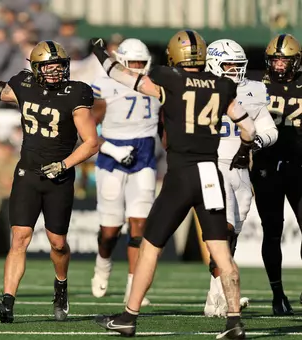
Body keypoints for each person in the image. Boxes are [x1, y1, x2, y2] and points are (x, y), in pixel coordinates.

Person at [90, 30, 256, 339]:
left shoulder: (169, 78)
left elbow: (126, 78)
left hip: (181, 174)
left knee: (150, 248)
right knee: (222, 252)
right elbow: (248, 127)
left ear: (174, 56)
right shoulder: (222, 85)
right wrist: (244, 151)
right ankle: (234, 321)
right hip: (210, 174)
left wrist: (102, 54)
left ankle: (128, 316)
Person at [0, 36, 98, 323]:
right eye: (49, 67)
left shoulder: (76, 93)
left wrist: (64, 164)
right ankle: (7, 301)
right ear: (35, 68)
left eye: (59, 66)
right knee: (19, 238)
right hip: (28, 174)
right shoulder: (24, 85)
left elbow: (91, 142)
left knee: (57, 243)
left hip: (59, 175)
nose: (56, 71)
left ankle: (60, 285)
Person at [203, 39, 278, 317]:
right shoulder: (201, 87)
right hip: (212, 166)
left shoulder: (253, 89)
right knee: (223, 231)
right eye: (229, 65)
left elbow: (270, 129)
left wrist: (254, 142)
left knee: (232, 235)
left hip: (240, 169)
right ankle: (219, 298)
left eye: (239, 65)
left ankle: (215, 300)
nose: (235, 70)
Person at [90, 38, 160, 306]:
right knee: (109, 231)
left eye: (142, 64)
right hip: (112, 155)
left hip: (144, 154)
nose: (137, 69)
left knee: (139, 225)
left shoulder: (155, 84)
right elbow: (86, 127)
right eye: (132, 64)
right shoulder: (105, 84)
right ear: (120, 62)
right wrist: (111, 149)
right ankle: (103, 263)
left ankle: (134, 287)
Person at [250, 33, 302, 316]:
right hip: (267, 167)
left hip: (299, 165)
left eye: (286, 59)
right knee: (272, 232)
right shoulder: (255, 84)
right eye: (276, 59)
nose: (280, 65)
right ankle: (278, 294)